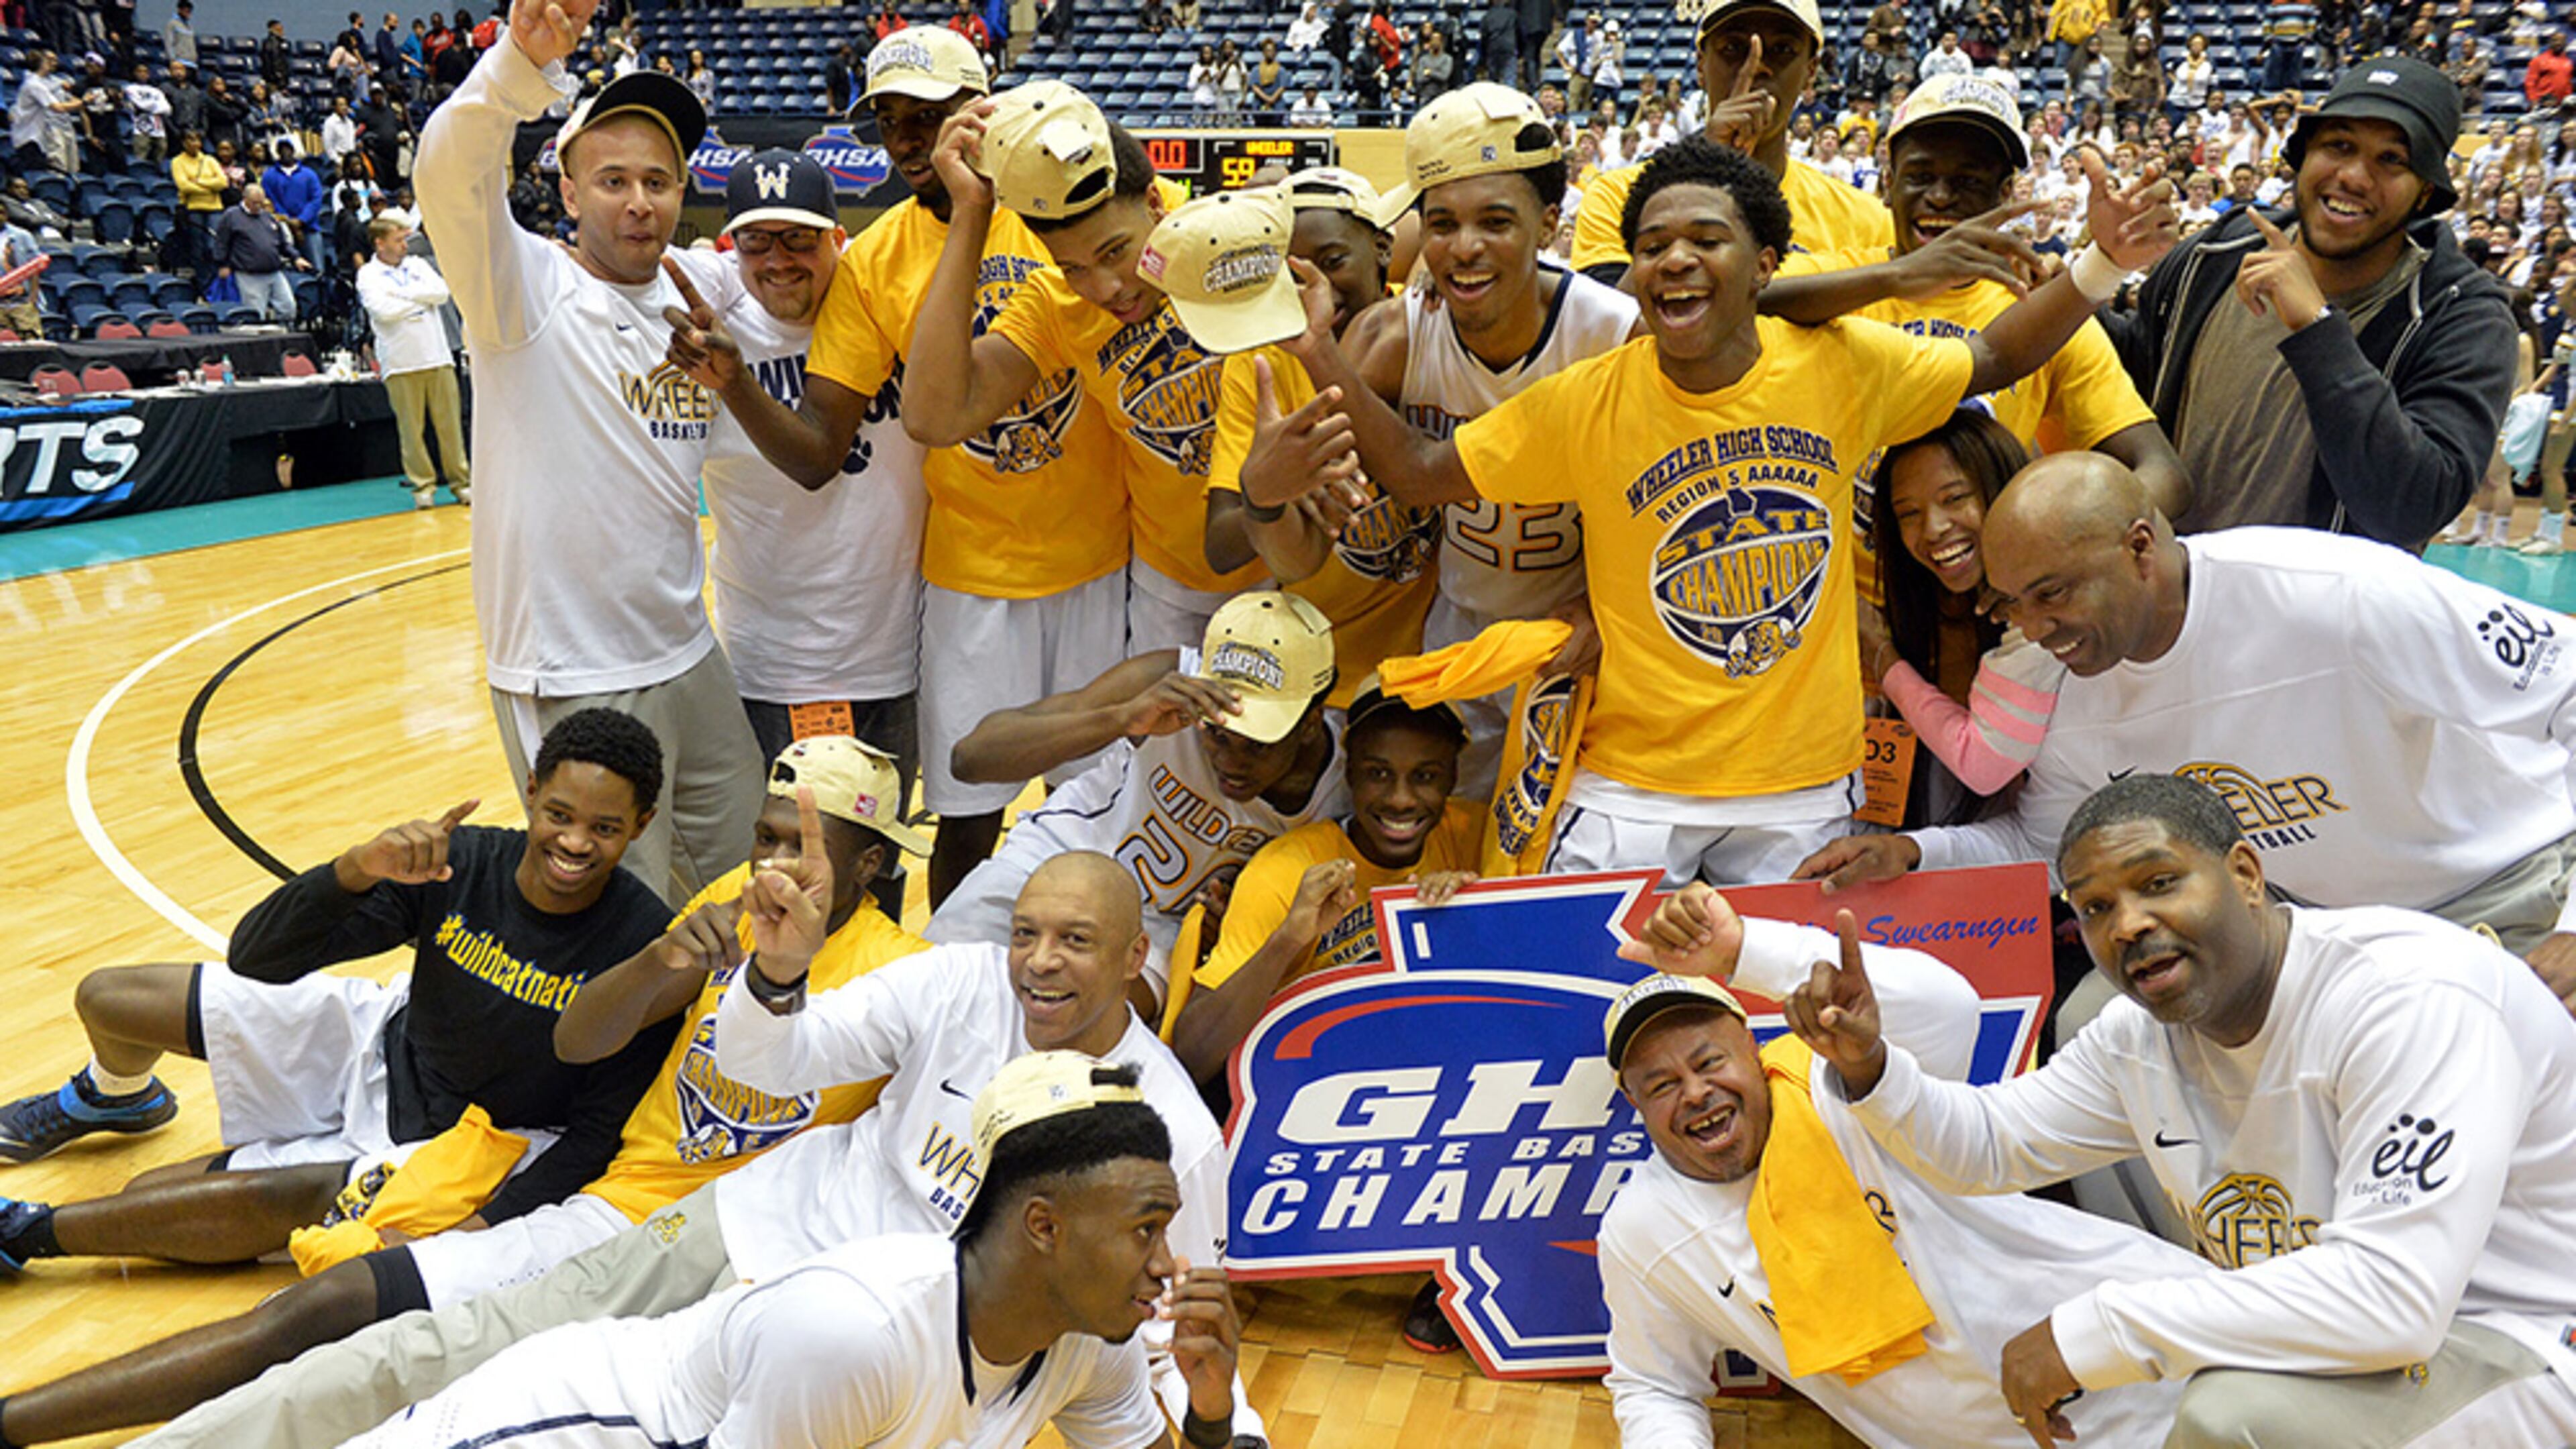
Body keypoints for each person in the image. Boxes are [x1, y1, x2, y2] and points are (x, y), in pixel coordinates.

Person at [1252, 137, 2176, 889]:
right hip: (1632, 785)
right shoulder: (1589, 398)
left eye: (1705, 238)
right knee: (1592, 1019)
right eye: (1652, 245)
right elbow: (1418, 472)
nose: (1673, 260)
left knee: (1785, 1031)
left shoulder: (1842, 364)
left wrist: (2099, 266)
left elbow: (1992, 359)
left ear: (1765, 264)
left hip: (1799, 784)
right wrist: (1320, 349)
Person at [138, 853, 1254, 1449]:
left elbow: (1165, 1329)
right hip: (752, 1237)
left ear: (1133, 963)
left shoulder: (1170, 1140)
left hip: (887, 1357)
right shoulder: (956, 982)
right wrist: (775, 977)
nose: (1038, 965)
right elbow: (782, 1064)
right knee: (440, 1358)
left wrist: (1223, 1427)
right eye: (1026, 934)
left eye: (1073, 943)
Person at [0, 742, 928, 1448]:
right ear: (529, 798)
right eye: (766, 837)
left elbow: (598, 1106)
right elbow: (585, 1035)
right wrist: (674, 957)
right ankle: (45, 1211)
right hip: (445, 1086)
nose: (774, 862)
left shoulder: (907, 981)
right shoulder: (706, 900)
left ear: (872, 866)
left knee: (317, 1307)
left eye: (803, 845)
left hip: (639, 1215)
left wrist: (494, 1221)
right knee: (170, 1160)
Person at [1823, 773, 2576, 1447]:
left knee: (2234, 1415)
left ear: (2246, 873)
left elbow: (2393, 1300)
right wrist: (1870, 1065)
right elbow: (1986, 1147)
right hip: (2382, 1349)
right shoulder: (2138, 1036)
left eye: (2159, 883)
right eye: (2095, 907)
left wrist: (2097, 1327)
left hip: (2530, 1343)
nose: (2128, 925)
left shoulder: (2408, 998)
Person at [1794, 452, 2576, 1004]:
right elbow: (2043, 847)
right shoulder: (2071, 689)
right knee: (2097, 1026)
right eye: (2012, 605)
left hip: (2508, 892)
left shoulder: (2336, 595)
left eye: (2053, 593)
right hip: (2318, 941)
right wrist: (1913, 851)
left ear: (2140, 548)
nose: (2034, 630)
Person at [657, 29, 1129, 915]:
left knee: (1101, 801)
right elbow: (817, 447)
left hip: (1105, 559)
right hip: (967, 579)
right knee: (965, 818)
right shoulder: (874, 266)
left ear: (983, 107)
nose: (910, 138)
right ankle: (943, 983)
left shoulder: (1064, 213)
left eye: (932, 115)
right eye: (891, 123)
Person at [327, 1055, 1247, 1449]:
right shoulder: (856, 1329)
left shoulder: (1089, 1344)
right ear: (1042, 1226)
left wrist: (1208, 1417)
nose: (1169, 1260)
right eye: (1146, 1226)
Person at [1599, 885, 2198, 1448]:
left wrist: (1743, 950)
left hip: (2160, 1362)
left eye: (1710, 1062)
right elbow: (1654, 1385)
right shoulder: (1646, 1227)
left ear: (1755, 1055)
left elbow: (1949, 1007)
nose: (1697, 1092)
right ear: (1636, 1104)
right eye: (1662, 1085)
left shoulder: (1840, 1080)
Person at [417, 0, 765, 908]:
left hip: (688, 651)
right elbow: (449, 174)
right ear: (569, 193)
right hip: (574, 672)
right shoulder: (524, 291)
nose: (640, 200)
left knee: (745, 885)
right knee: (617, 923)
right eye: (612, 180)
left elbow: (798, 263)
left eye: (659, 179)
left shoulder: (694, 297)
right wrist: (514, 67)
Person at [1287, 85, 1638, 798]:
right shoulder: (1394, 336)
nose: (1465, 247)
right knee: (1462, 836)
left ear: (1547, 226)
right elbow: (1309, 510)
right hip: (1461, 632)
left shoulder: (1612, 333)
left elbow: (1662, 500)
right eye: (1442, 224)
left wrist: (1605, 608)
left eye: (1495, 222)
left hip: (1588, 631)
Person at [1760, 73, 2191, 611]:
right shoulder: (1834, 282)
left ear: (2005, 195)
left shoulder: (2040, 314)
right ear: (1886, 180)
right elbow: (1741, 303)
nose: (1940, 196)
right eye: (1920, 175)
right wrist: (1900, 276)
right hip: (1841, 621)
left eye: (1968, 181)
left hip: (1983, 619)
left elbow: (2161, 472)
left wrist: (2045, 546)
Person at [902, 82, 1263, 653]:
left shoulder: (1225, 236)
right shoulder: (1052, 303)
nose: (1106, 289)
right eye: (1074, 268)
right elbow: (934, 417)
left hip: (1296, 563)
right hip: (1170, 587)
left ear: (1155, 207)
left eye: (1116, 252)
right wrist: (972, 212)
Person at [2102, 56, 2516, 548]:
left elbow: (2415, 506)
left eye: (2392, 160)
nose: (2355, 177)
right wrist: (2084, 279)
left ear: (2426, 191)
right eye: (2339, 146)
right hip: (2171, 599)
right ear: (2302, 155)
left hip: (2327, 618)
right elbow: (2130, 376)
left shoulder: (2461, 314)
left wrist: (2318, 330)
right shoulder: (2213, 254)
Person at [926, 592, 1345, 1011]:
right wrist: (1123, 718)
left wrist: (1233, 919)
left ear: (1309, 724)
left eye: (1257, 745)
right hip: (1056, 860)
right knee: (933, 995)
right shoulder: (1169, 680)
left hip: (1157, 927)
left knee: (1075, 1024)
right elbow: (971, 759)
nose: (1231, 760)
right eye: (1216, 734)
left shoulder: (1341, 790)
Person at [667, 148, 927, 790]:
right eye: (758, 243)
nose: (779, 261)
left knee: (881, 864)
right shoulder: (709, 330)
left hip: (904, 656)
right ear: (734, 249)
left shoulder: (882, 306)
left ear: (840, 239)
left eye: (799, 240)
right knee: (787, 867)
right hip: (774, 668)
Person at [1197, 168, 1440, 712]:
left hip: (1435, 665)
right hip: (1313, 669)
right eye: (1292, 278)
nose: (1319, 294)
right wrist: (1268, 492)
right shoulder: (1262, 362)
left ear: (1382, 249)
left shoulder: (1433, 325)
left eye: (1332, 263)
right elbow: (1221, 547)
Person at [1171, 682, 1479, 1082]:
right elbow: (1191, 1057)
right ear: (1349, 773)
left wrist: (1471, 914)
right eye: (1378, 774)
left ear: (1454, 777)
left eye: (1425, 776)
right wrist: (1286, 941)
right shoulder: (1283, 871)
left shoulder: (1476, 837)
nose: (1401, 799)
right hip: (1312, 1087)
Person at [1569, 0, 1896, 285]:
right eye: (1733, 48)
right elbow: (1603, 334)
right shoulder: (1615, 198)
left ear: (1811, 72)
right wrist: (1708, 166)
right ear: (1700, 66)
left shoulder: (1868, 221)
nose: (1757, 66)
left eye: (1782, 49)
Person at [1858, 413, 2063, 812]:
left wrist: (1883, 659)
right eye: (1909, 514)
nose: (1933, 528)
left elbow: (1982, 765)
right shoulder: (1920, 607)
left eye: (1954, 498)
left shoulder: (2046, 616)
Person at [359, 215, 472, 511]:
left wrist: (402, 294)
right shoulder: (368, 275)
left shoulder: (419, 265)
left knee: (450, 425)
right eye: (398, 241)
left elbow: (442, 293)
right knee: (412, 429)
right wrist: (420, 302)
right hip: (400, 361)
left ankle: (462, 483)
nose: (404, 246)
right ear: (380, 243)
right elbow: (382, 311)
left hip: (437, 355)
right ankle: (423, 486)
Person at [209, 182, 310, 321]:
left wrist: (296, 258)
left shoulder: (267, 217)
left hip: (274, 272)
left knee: (288, 308)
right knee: (256, 314)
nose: (258, 207)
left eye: (261, 203)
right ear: (245, 199)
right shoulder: (232, 216)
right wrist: (223, 264)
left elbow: (282, 244)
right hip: (249, 274)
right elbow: (221, 243)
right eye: (255, 203)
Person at [262, 138, 329, 276]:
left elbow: (316, 200)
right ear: (277, 153)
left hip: (310, 228)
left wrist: (301, 220)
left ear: (294, 151)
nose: (286, 153)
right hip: (282, 231)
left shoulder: (309, 174)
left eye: (288, 149)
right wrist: (288, 221)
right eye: (282, 150)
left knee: (317, 269)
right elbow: (272, 200)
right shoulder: (269, 176)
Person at [9, 50, 83, 174]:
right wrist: (84, 102)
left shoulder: (53, 82)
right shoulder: (34, 85)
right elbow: (57, 107)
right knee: (48, 172)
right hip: (29, 138)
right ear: (41, 63)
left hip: (37, 136)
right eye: (48, 60)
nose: (52, 63)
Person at [0, 216, 45, 338]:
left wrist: (33, 299)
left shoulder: (21, 236)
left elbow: (35, 267)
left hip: (22, 302)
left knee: (32, 343)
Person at [125, 61, 169, 166]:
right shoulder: (130, 88)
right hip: (140, 129)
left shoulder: (156, 91)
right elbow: (141, 105)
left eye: (145, 72)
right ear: (135, 73)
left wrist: (150, 107)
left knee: (160, 158)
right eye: (139, 71)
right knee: (141, 159)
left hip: (158, 130)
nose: (142, 74)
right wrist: (155, 105)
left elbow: (167, 109)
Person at [163, 0, 197, 70]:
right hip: (179, 64)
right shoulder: (172, 24)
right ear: (180, 10)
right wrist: (173, 60)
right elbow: (169, 44)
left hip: (192, 64)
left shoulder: (189, 27)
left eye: (190, 12)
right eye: (186, 11)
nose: (189, 14)